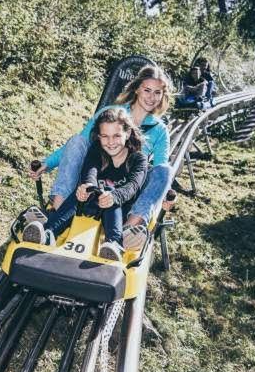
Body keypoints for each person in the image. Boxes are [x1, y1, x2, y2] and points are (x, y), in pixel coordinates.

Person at [27, 65, 173, 250]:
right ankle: (58, 209)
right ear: (137, 89)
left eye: (157, 92)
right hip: (95, 181)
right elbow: (79, 145)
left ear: (162, 96)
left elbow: (158, 172)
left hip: (127, 187)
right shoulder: (111, 113)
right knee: (77, 140)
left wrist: (163, 196)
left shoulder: (159, 130)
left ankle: (130, 228)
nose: (151, 97)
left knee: (165, 170)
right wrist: (47, 163)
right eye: (147, 90)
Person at [22, 108, 147, 261]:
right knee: (87, 188)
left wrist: (114, 196)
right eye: (105, 136)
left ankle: (114, 243)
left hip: (117, 211)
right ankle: (48, 233)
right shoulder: (96, 149)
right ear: (99, 136)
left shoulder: (138, 159)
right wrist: (88, 186)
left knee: (108, 190)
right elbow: (90, 170)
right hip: (90, 204)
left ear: (127, 134)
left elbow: (133, 186)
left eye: (116, 136)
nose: (110, 142)